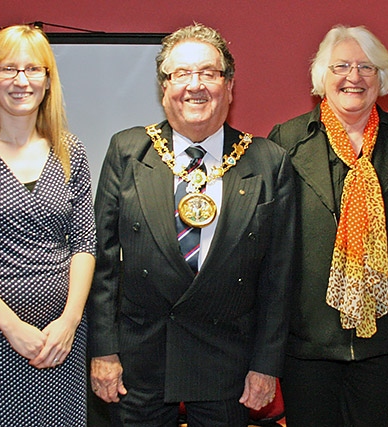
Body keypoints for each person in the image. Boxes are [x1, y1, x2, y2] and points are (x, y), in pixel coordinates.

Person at [87, 23, 295, 427]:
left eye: (208, 73)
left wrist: (266, 365)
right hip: (138, 362)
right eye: (181, 74)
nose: (195, 85)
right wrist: (104, 351)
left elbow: (279, 275)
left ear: (229, 85)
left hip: (227, 364)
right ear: (164, 87)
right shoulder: (128, 151)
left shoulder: (268, 161)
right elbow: (105, 263)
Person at [267, 25, 388, 427]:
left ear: (382, 79)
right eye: (341, 65)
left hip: (387, 342)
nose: (353, 77)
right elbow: (272, 254)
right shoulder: (284, 143)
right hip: (306, 345)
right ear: (322, 76)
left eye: (367, 67)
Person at [0, 25, 96, 426]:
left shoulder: (71, 151)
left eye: (33, 69)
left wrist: (69, 321)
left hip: (59, 342)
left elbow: (85, 244)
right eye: (8, 69)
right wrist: (12, 326)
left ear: (48, 81)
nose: (21, 80)